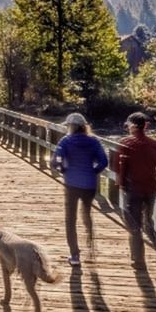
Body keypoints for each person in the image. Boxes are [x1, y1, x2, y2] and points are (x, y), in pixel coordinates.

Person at [115, 111, 156, 264]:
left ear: (132, 126)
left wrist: (120, 185)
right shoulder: (155, 145)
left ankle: (138, 259)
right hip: (150, 190)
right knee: (148, 219)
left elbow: (118, 168)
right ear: (145, 126)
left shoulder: (125, 143)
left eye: (128, 125)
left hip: (132, 190)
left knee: (133, 225)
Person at [52, 113, 107, 266]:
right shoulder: (94, 141)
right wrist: (93, 171)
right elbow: (104, 161)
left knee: (70, 219)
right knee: (87, 213)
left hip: (71, 184)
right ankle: (91, 244)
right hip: (89, 185)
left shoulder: (66, 141)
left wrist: (62, 169)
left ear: (70, 126)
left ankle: (75, 255)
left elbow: (56, 159)